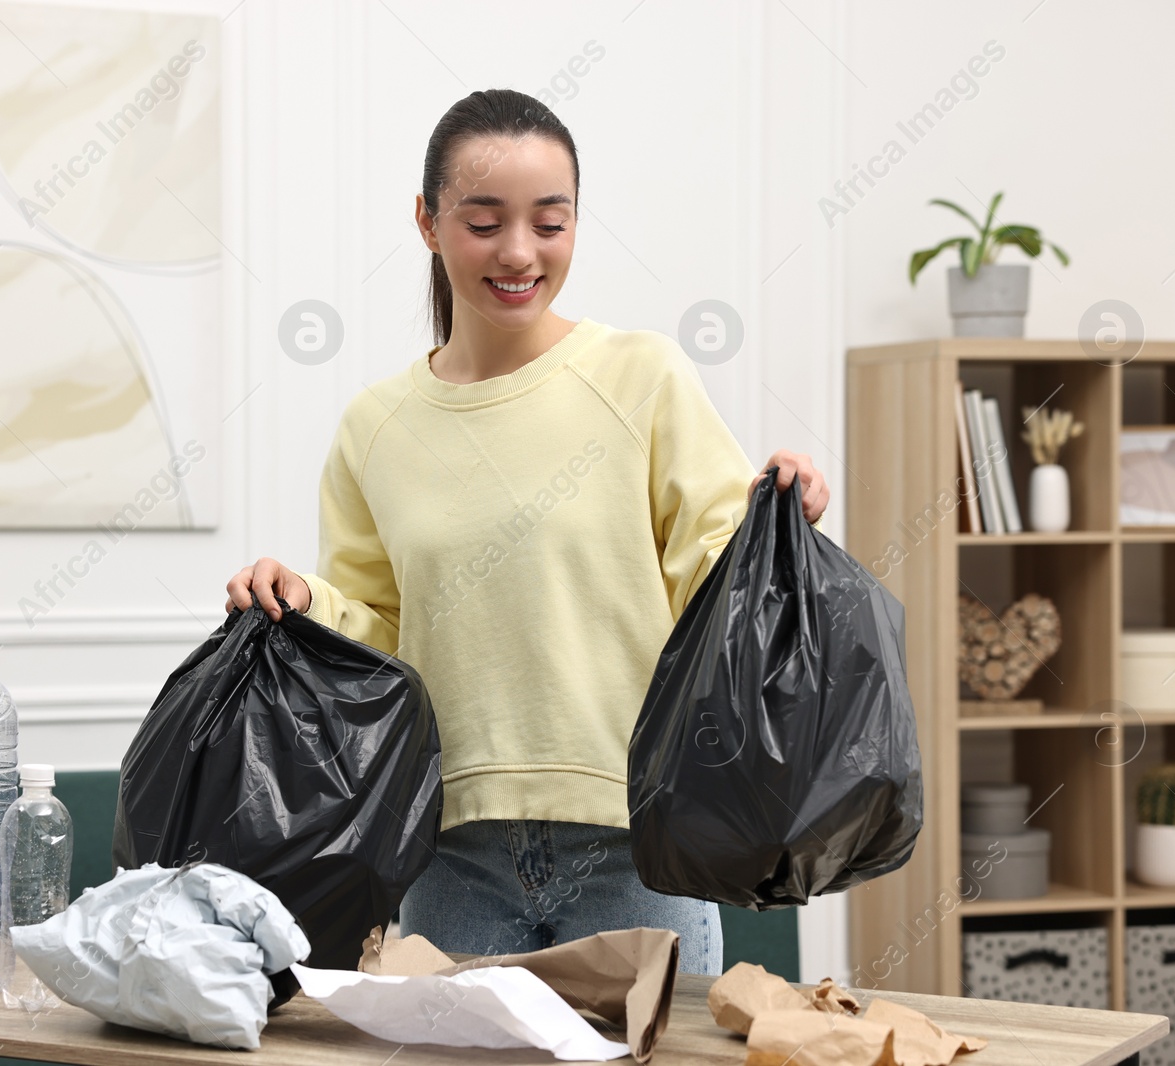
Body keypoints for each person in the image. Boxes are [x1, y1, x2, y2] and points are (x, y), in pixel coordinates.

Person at [224, 88, 829, 975]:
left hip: (637, 843)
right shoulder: (375, 426)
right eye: (484, 222)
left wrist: (781, 519)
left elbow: (717, 572)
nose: (519, 253)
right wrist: (303, 599)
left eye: (550, 223)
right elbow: (381, 637)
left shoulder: (642, 377)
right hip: (448, 853)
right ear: (428, 223)